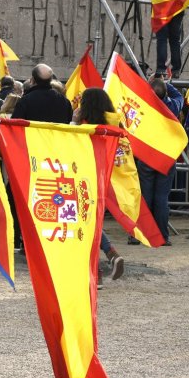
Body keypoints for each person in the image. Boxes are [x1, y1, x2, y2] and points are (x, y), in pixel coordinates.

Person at [73, 87, 126, 280]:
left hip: (83, 178)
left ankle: (98, 272)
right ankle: (111, 255)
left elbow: (71, 144)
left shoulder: (83, 126)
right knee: (93, 223)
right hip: (105, 179)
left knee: (86, 226)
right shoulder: (113, 126)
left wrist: (73, 120)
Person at [130, 77, 185, 246]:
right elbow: (179, 96)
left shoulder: (144, 109)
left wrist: (148, 86)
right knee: (161, 198)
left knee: (144, 197)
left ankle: (139, 235)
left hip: (147, 156)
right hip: (166, 157)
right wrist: (165, 82)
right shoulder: (173, 106)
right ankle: (162, 236)